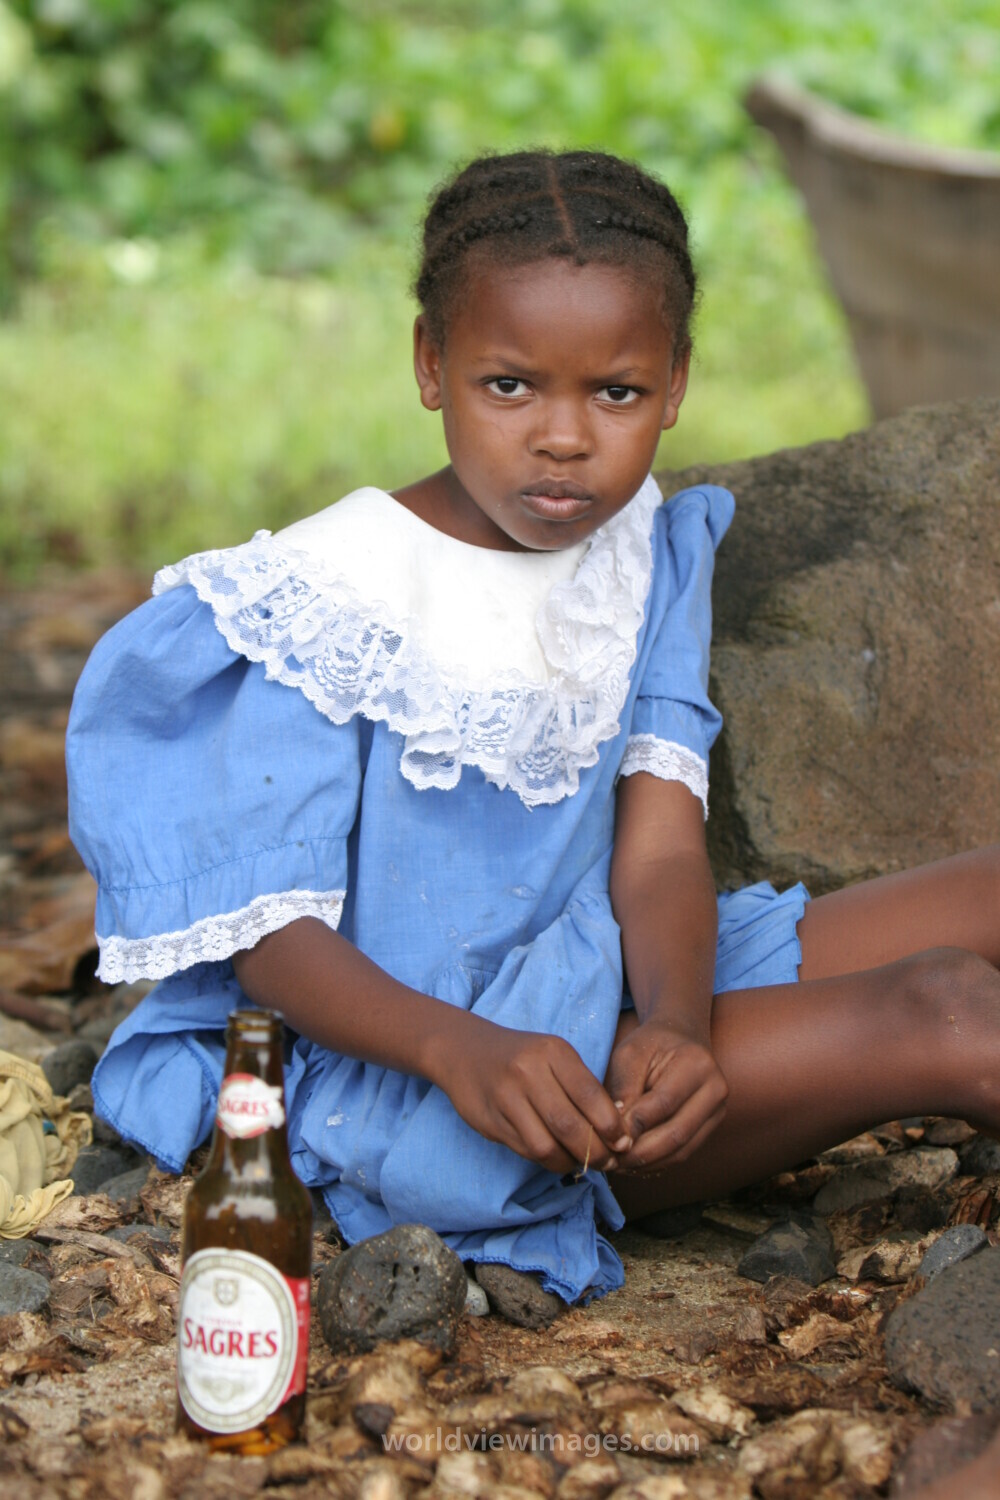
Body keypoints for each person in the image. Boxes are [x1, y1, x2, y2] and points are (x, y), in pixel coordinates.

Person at [67, 148, 1000, 1317]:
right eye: (509, 386)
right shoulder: (322, 599)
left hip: (612, 982)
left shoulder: (647, 554)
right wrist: (465, 1051)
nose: (563, 438)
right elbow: (273, 943)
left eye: (614, 392)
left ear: (673, 386)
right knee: (946, 1010)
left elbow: (658, 851)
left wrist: (676, 1029)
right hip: (419, 1067)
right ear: (430, 364)